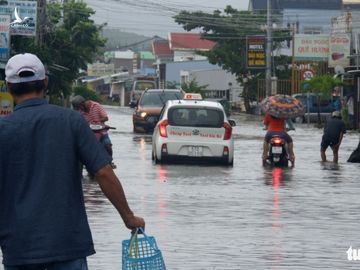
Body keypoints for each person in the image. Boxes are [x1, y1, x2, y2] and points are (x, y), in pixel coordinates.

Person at [0, 53, 145, 270]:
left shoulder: (4, 129)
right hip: (67, 242)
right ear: (46, 82)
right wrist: (128, 217)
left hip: (20, 246)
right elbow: (103, 172)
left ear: (9, 86)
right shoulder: (72, 121)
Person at [71, 95, 116, 168]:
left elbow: (106, 118)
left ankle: (110, 161)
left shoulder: (96, 106)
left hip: (101, 130)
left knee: (107, 145)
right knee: (81, 148)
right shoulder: (80, 111)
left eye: (80, 107)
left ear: (83, 104)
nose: (79, 109)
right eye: (78, 108)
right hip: (88, 132)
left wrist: (97, 121)